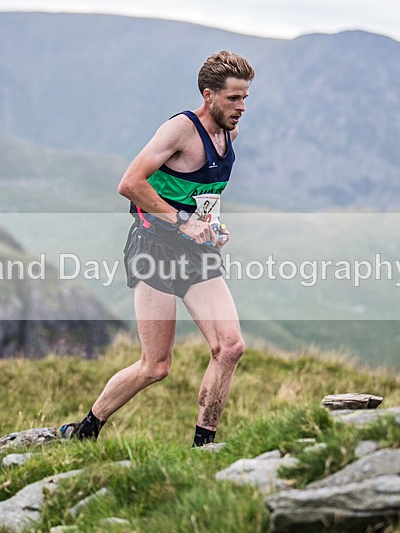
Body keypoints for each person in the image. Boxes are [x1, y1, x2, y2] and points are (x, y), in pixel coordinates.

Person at [60, 50, 254, 447]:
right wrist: (183, 221)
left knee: (230, 347)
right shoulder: (180, 130)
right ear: (209, 95)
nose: (242, 107)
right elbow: (130, 183)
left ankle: (203, 447)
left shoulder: (229, 135)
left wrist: (211, 226)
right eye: (234, 98)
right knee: (156, 366)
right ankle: (86, 429)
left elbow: (202, 194)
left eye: (245, 97)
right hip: (154, 250)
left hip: (195, 253)